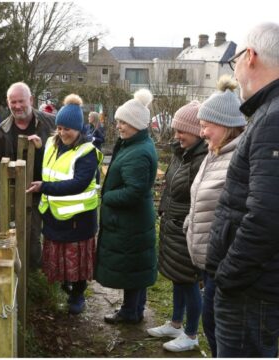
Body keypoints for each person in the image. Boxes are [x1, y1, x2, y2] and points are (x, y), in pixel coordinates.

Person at [206, 22, 279, 357]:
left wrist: (228, 276)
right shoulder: (277, 110)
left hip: (253, 291)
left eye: (234, 62)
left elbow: (267, 219)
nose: (234, 73)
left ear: (250, 57)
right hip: (252, 287)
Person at [181, 76, 246, 356]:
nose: (202, 132)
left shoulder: (237, 158)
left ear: (227, 125)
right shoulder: (215, 153)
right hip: (209, 262)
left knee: (219, 328)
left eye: (207, 126)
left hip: (224, 264)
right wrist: (189, 224)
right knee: (212, 325)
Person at [26, 94, 102, 315]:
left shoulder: (87, 152)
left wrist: (44, 188)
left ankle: (78, 296)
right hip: (54, 215)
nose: (62, 132)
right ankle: (65, 286)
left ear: (78, 129)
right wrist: (40, 149)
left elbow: (78, 184)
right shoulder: (52, 142)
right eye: (59, 127)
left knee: (77, 263)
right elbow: (50, 166)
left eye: (67, 128)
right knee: (59, 259)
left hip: (79, 220)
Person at [146, 101, 208, 352]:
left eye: (182, 130)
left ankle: (191, 334)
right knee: (177, 277)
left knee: (189, 280)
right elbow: (171, 188)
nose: (177, 135)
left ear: (196, 131)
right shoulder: (180, 153)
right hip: (173, 225)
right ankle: (175, 323)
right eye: (176, 130)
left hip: (187, 229)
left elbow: (199, 198)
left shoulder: (201, 158)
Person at [96, 89, 158, 324]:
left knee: (132, 268)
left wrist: (108, 197)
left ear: (136, 124)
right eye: (119, 121)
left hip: (130, 222)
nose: (119, 126)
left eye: (123, 122)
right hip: (133, 221)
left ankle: (130, 312)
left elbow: (134, 191)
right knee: (136, 267)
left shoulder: (138, 153)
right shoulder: (135, 144)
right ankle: (135, 309)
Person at [0, 82, 55, 268]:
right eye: (13, 102)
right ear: (7, 102)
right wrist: (12, 174)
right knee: (29, 236)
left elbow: (66, 152)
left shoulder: (51, 122)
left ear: (31, 100)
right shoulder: (2, 131)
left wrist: (42, 147)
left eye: (21, 101)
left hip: (51, 190)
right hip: (21, 194)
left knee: (55, 236)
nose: (17, 106)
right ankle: (34, 276)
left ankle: (55, 275)